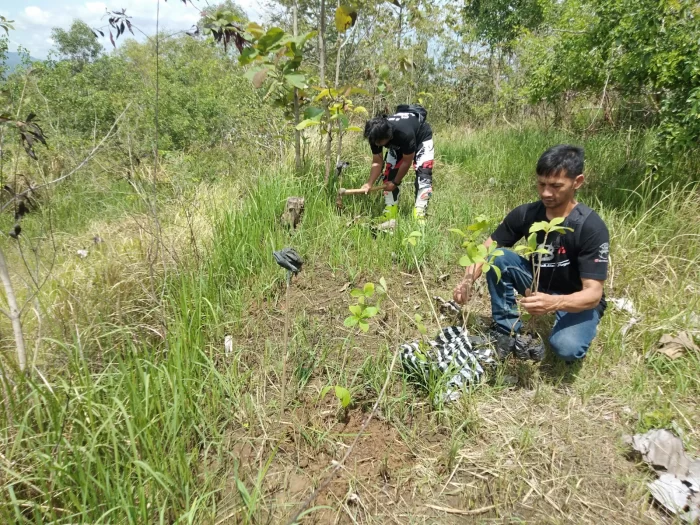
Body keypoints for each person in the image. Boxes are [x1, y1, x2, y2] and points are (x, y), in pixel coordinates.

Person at [453, 145, 610, 363]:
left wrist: (555, 304)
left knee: (566, 348)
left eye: (556, 186)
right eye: (541, 184)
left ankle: (578, 322)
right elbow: (486, 249)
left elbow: (593, 294)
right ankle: (505, 330)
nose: (546, 193)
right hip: (537, 283)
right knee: (497, 258)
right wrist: (467, 281)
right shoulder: (526, 214)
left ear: (578, 182)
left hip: (576, 296)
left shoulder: (590, 226)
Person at [361, 105, 434, 222]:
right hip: (398, 142)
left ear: (388, 136)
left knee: (424, 174)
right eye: (375, 142)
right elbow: (377, 161)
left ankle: (420, 212)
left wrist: (395, 182)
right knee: (389, 174)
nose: (377, 145)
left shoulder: (404, 133)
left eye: (380, 142)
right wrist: (369, 183)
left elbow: (407, 161)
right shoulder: (374, 135)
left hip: (421, 136)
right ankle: (391, 210)